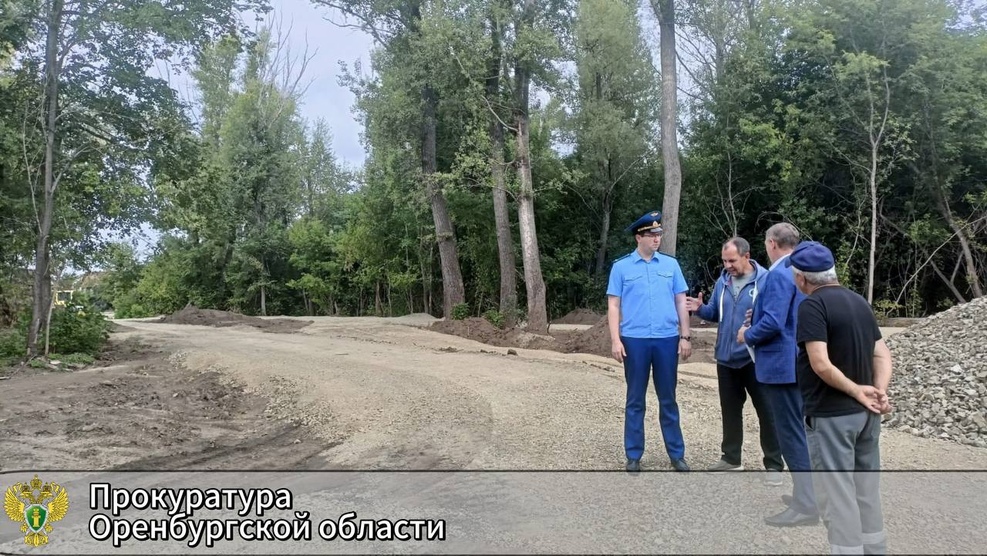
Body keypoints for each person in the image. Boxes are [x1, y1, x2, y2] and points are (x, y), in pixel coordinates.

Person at [787, 241, 892, 554]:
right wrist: (878, 391)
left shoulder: (812, 306)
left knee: (837, 495)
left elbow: (820, 363)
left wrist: (856, 390)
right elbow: (882, 355)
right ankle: (875, 550)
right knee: (866, 490)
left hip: (832, 415)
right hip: (867, 416)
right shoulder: (859, 302)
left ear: (801, 278)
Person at [737, 222, 819, 527]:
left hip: (782, 367)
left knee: (790, 434)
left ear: (772, 243)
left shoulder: (777, 274)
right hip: (800, 361)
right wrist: (757, 313)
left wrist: (747, 334)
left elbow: (773, 323)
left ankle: (806, 505)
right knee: (803, 431)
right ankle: (807, 494)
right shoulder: (802, 271)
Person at [685, 237, 784, 480]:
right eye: (724, 261)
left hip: (754, 359)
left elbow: (773, 318)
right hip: (726, 359)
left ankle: (773, 465)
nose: (727, 265)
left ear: (746, 256)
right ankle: (731, 458)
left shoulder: (766, 280)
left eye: (732, 261)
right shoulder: (723, 281)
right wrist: (700, 308)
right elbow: (715, 313)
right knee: (730, 411)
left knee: (767, 413)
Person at [607, 210, 692, 473]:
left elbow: (681, 301)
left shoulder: (670, 265)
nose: (656, 239)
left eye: (658, 234)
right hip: (635, 340)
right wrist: (615, 340)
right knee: (635, 399)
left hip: (666, 339)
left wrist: (685, 336)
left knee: (668, 398)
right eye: (651, 234)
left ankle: (676, 454)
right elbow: (613, 305)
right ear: (638, 237)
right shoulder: (621, 267)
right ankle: (633, 454)